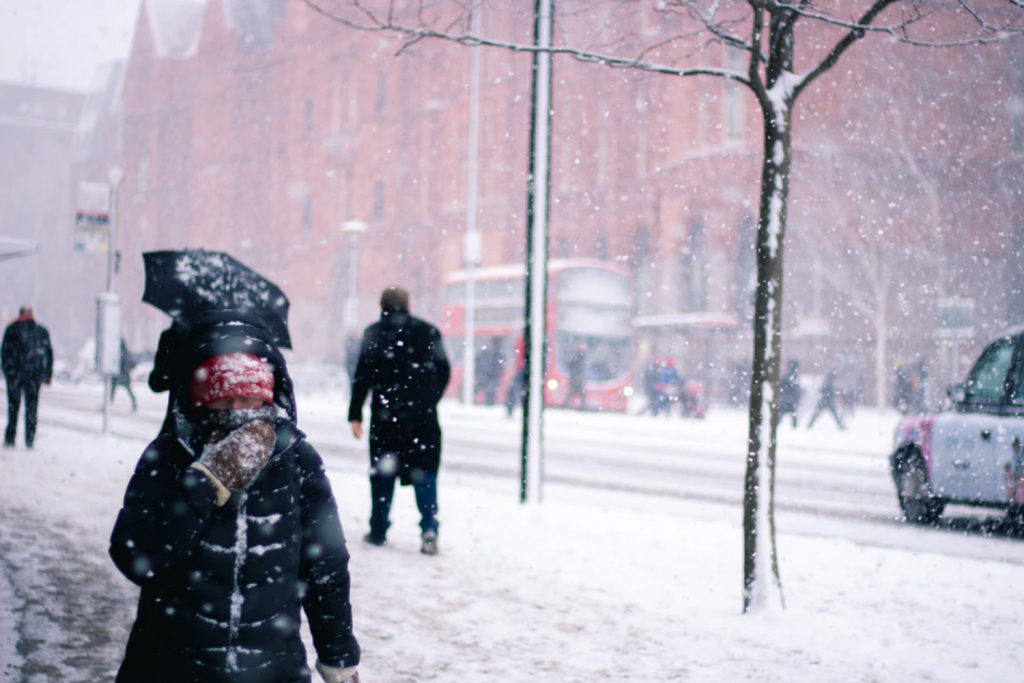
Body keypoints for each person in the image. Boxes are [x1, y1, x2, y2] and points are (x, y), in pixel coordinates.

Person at [109, 310, 361, 683]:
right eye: (225, 403)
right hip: (170, 665)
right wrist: (205, 484)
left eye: (250, 401)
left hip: (273, 668)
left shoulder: (295, 459)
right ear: (199, 400)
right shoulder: (169, 456)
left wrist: (337, 654)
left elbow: (326, 566)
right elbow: (136, 558)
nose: (239, 416)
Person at [348, 287, 450, 555]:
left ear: (382, 305)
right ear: (408, 303)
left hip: (385, 417)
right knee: (424, 473)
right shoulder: (428, 331)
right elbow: (444, 369)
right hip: (422, 419)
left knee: (383, 473)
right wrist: (429, 399)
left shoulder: (374, 333)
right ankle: (429, 528)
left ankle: (379, 528)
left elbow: (362, 376)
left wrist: (355, 413)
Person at [2, 306, 53, 449]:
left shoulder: (11, 330)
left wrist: (8, 372)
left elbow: (4, 353)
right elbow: (49, 353)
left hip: (15, 376)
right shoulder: (41, 331)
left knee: (13, 408)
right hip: (33, 376)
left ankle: (10, 438)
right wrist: (47, 374)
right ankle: (29, 439)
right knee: (32, 408)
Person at [110, 338, 138, 413]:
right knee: (126, 390)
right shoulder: (125, 353)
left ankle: (108, 404)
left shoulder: (122, 353)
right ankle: (134, 405)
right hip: (123, 374)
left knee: (114, 389)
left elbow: (124, 364)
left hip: (121, 374)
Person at [475, 337, 504, 406]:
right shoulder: (497, 353)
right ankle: (489, 403)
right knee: (490, 389)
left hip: (486, 373)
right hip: (490, 374)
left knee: (482, 387)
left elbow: (478, 360)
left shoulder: (486, 351)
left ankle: (469, 397)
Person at [562, 340, 587, 410]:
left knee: (574, 392)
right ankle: (583, 406)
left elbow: (573, 365)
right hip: (577, 378)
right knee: (577, 393)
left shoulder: (578, 356)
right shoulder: (580, 356)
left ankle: (566, 405)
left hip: (576, 378)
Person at [505, 335, 526, 417]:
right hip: (522, 369)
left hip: (522, 369)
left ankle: (510, 410)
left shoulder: (520, 342)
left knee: (513, 390)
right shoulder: (521, 342)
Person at [778, 359, 803, 428]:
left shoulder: (790, 375)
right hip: (789, 399)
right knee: (792, 414)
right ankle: (795, 428)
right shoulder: (793, 376)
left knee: (782, 414)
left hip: (787, 398)